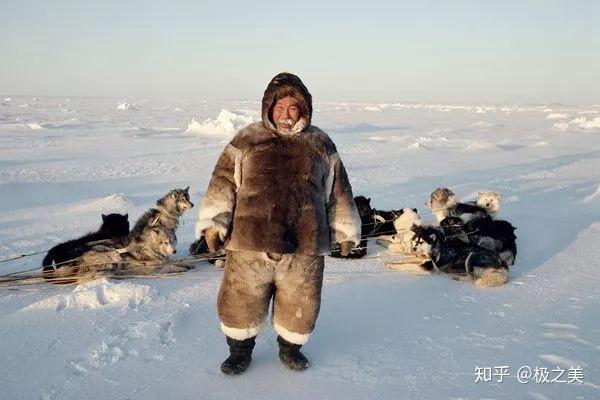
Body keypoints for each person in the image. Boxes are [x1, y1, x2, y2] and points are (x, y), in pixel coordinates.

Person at [195, 72, 361, 374]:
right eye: (280, 108)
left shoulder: (320, 143)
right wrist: (213, 222)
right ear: (269, 108)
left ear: (304, 110)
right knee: (241, 300)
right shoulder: (247, 140)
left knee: (300, 303)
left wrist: (345, 229)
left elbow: (338, 190)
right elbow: (222, 183)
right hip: (249, 242)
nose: (286, 115)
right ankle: (239, 350)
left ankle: (290, 348)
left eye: (293, 108)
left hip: (305, 244)